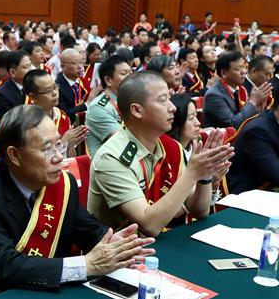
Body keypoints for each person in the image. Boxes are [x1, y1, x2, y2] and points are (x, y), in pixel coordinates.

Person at [0, 104, 154, 299]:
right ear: (14, 155)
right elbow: (6, 266)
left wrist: (112, 244)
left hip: (46, 295)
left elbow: (87, 229)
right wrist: (85, 265)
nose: (59, 157)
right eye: (47, 149)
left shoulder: (64, 184)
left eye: (59, 144)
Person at [88, 71, 231, 235]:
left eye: (170, 99)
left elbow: (199, 210)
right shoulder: (112, 157)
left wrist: (205, 177)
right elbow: (149, 226)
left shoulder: (170, 146)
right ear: (137, 110)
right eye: (163, 101)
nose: (173, 108)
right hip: (120, 253)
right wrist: (192, 173)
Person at [23, 69, 87, 157]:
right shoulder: (28, 123)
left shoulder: (62, 115)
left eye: (55, 87)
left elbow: (71, 159)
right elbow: (35, 161)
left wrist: (70, 146)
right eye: (48, 91)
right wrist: (63, 143)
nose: (55, 93)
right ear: (33, 97)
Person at [202, 51, 270, 129]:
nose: (243, 72)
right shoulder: (214, 95)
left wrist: (258, 110)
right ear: (224, 73)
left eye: (244, 67)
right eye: (238, 69)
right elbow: (232, 125)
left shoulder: (241, 89)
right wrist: (253, 102)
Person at [85, 53, 132, 155]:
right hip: (108, 163)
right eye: (124, 74)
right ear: (108, 80)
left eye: (131, 72)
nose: (130, 77)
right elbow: (123, 141)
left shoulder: (129, 99)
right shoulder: (98, 108)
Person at [0, 50, 32, 122]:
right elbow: (6, 124)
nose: (31, 70)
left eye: (30, 66)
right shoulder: (3, 95)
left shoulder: (34, 84)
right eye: (25, 67)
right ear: (12, 72)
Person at [56, 48, 90, 120]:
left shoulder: (83, 81)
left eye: (81, 62)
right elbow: (64, 114)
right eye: (75, 63)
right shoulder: (57, 87)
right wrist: (86, 105)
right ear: (62, 66)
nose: (80, 67)